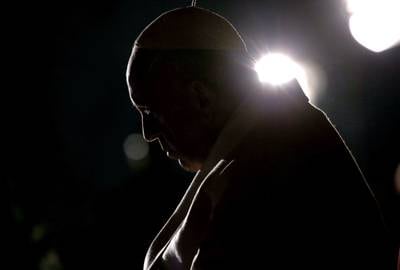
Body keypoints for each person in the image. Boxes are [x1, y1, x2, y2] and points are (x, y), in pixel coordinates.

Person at [126, 6, 395, 270]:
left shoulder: (266, 165)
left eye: (151, 111)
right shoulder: (279, 137)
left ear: (202, 99)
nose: (148, 133)